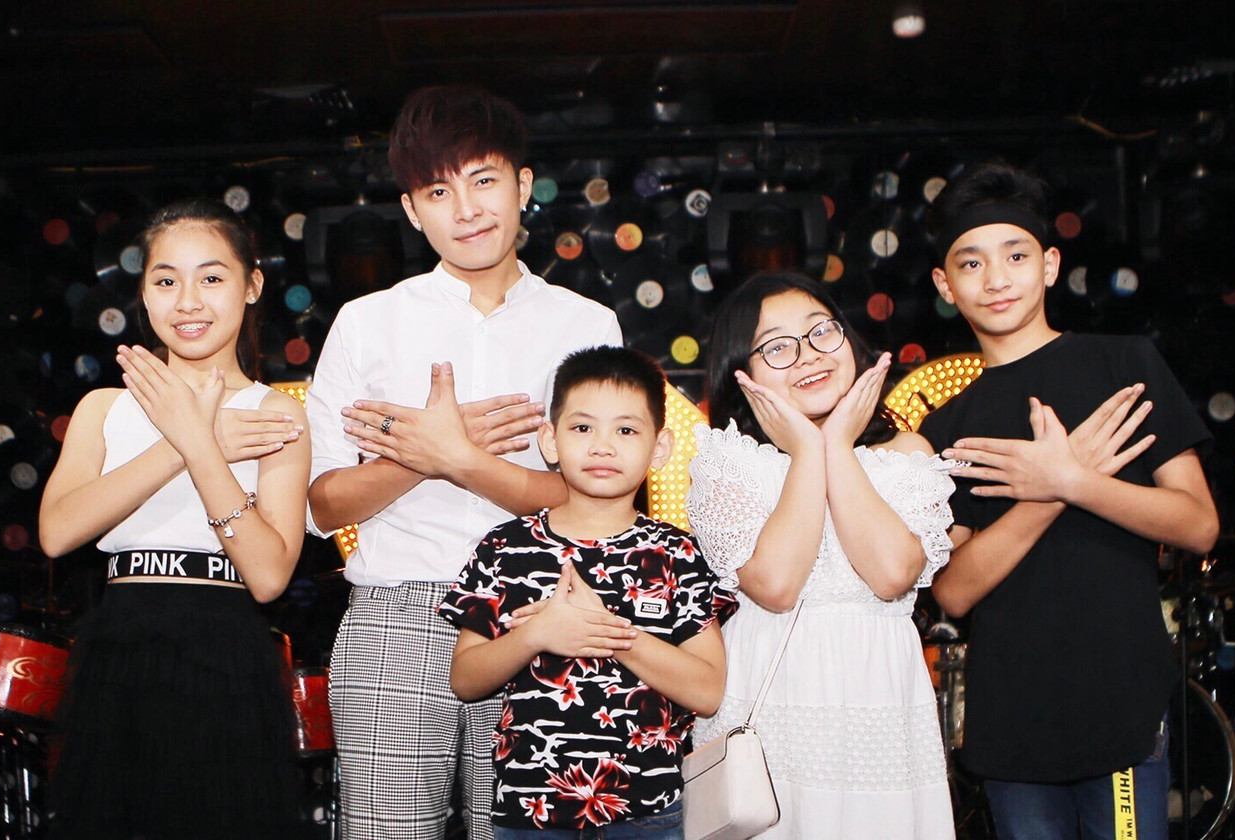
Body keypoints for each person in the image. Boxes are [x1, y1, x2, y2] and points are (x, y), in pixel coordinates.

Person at [306, 85, 623, 839]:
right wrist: (426, 457)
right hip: (395, 613)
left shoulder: (586, 324)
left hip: (541, 609)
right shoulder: (366, 322)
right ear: (412, 210)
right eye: (438, 192)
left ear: (522, 184)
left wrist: (456, 455)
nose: (467, 209)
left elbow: (597, 502)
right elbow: (322, 505)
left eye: (483, 181)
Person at [918, 161, 1220, 840]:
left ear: (1050, 265)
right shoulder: (946, 429)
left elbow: (1199, 525)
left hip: (1121, 704)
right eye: (971, 263)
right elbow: (954, 592)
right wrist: (1051, 491)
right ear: (945, 284)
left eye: (1016, 256)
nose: (996, 279)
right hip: (1011, 719)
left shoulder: (1126, 366)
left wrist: (1077, 481)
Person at [38, 198, 310, 839]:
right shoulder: (104, 407)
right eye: (166, 281)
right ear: (143, 293)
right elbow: (56, 532)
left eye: (211, 278)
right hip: (117, 651)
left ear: (252, 286)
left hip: (225, 655)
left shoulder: (277, 413)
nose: (188, 302)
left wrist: (201, 447)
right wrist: (185, 441)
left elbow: (269, 576)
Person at [685, 271, 958, 839]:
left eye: (821, 332)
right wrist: (809, 451)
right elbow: (777, 586)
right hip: (770, 709)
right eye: (777, 347)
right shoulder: (729, 462)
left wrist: (836, 445)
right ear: (742, 373)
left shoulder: (905, 452)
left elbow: (891, 574)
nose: (808, 354)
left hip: (878, 703)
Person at [439, 345, 738, 839]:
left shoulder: (676, 553)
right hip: (531, 809)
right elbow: (465, 680)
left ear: (660, 447)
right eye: (582, 428)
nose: (603, 446)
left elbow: (707, 692)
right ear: (549, 440)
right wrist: (536, 635)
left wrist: (609, 633)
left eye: (626, 430)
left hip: (647, 809)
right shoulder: (506, 547)